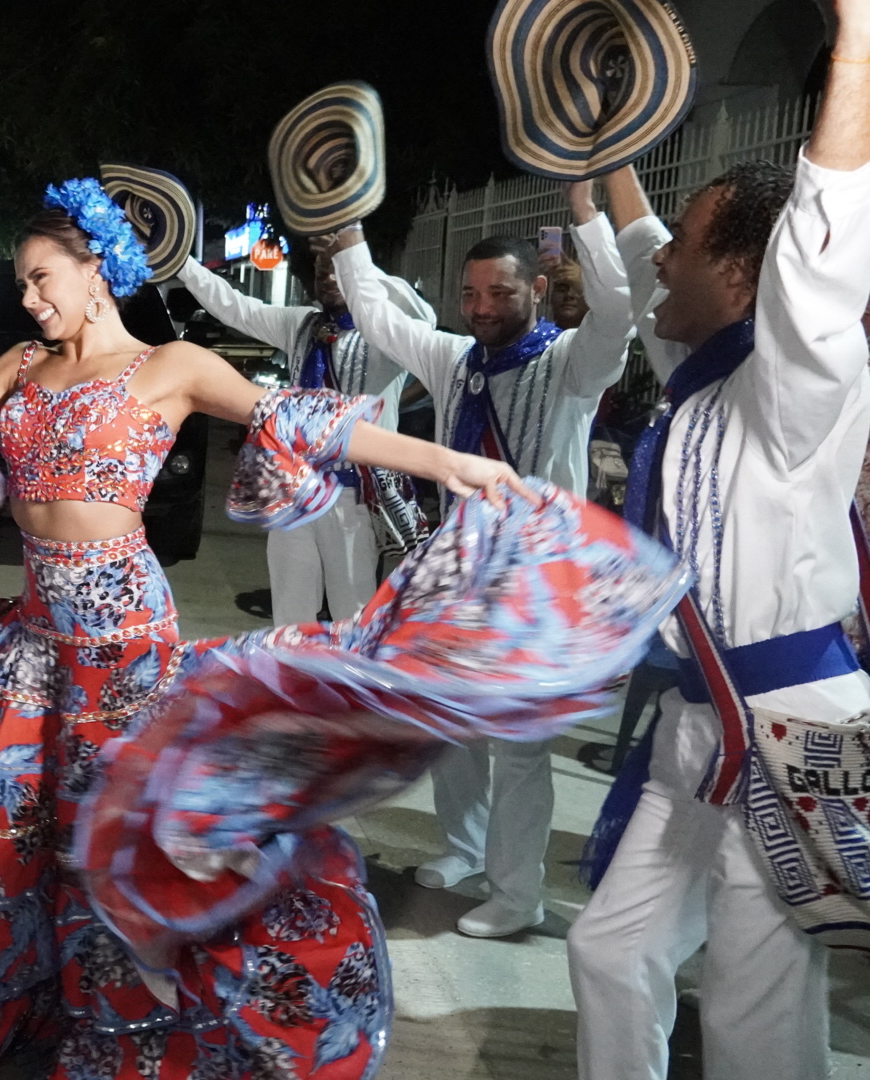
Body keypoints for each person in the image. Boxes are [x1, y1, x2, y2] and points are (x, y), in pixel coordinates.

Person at [0, 179, 685, 1079]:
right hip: (35, 642)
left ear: (99, 272)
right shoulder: (21, 369)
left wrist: (445, 462)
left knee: (127, 839)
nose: (32, 296)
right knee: (10, 834)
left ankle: (137, 1029)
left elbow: (298, 418)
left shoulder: (170, 367)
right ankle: (17, 1004)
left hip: (128, 642)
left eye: (47, 278)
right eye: (28, 282)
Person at [565, 3, 870, 1071]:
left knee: (755, 1015)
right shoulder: (702, 378)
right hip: (699, 722)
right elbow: (651, 237)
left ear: (744, 273)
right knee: (609, 947)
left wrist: (858, 39)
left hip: (790, 727)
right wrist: (599, 140)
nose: (654, 268)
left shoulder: (793, 383)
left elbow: (827, 242)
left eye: (684, 251)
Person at [328, 178, 636, 938]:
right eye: (469, 294)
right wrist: (346, 234)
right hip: (462, 575)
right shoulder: (456, 359)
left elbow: (622, 314)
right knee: (452, 729)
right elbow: (372, 315)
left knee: (522, 752)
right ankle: (465, 849)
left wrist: (588, 213)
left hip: (538, 583)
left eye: (498, 292)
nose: (481, 307)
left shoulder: (571, 363)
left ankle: (519, 894)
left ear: (534, 287)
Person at [176, 246, 424, 624]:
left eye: (338, 270)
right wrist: (182, 263)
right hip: (294, 492)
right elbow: (235, 307)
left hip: (352, 496)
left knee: (352, 613)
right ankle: (292, 679)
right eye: (322, 269)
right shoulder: (304, 324)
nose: (327, 277)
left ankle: (346, 683)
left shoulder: (385, 332)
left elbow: (424, 315)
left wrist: (359, 264)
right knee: (290, 613)